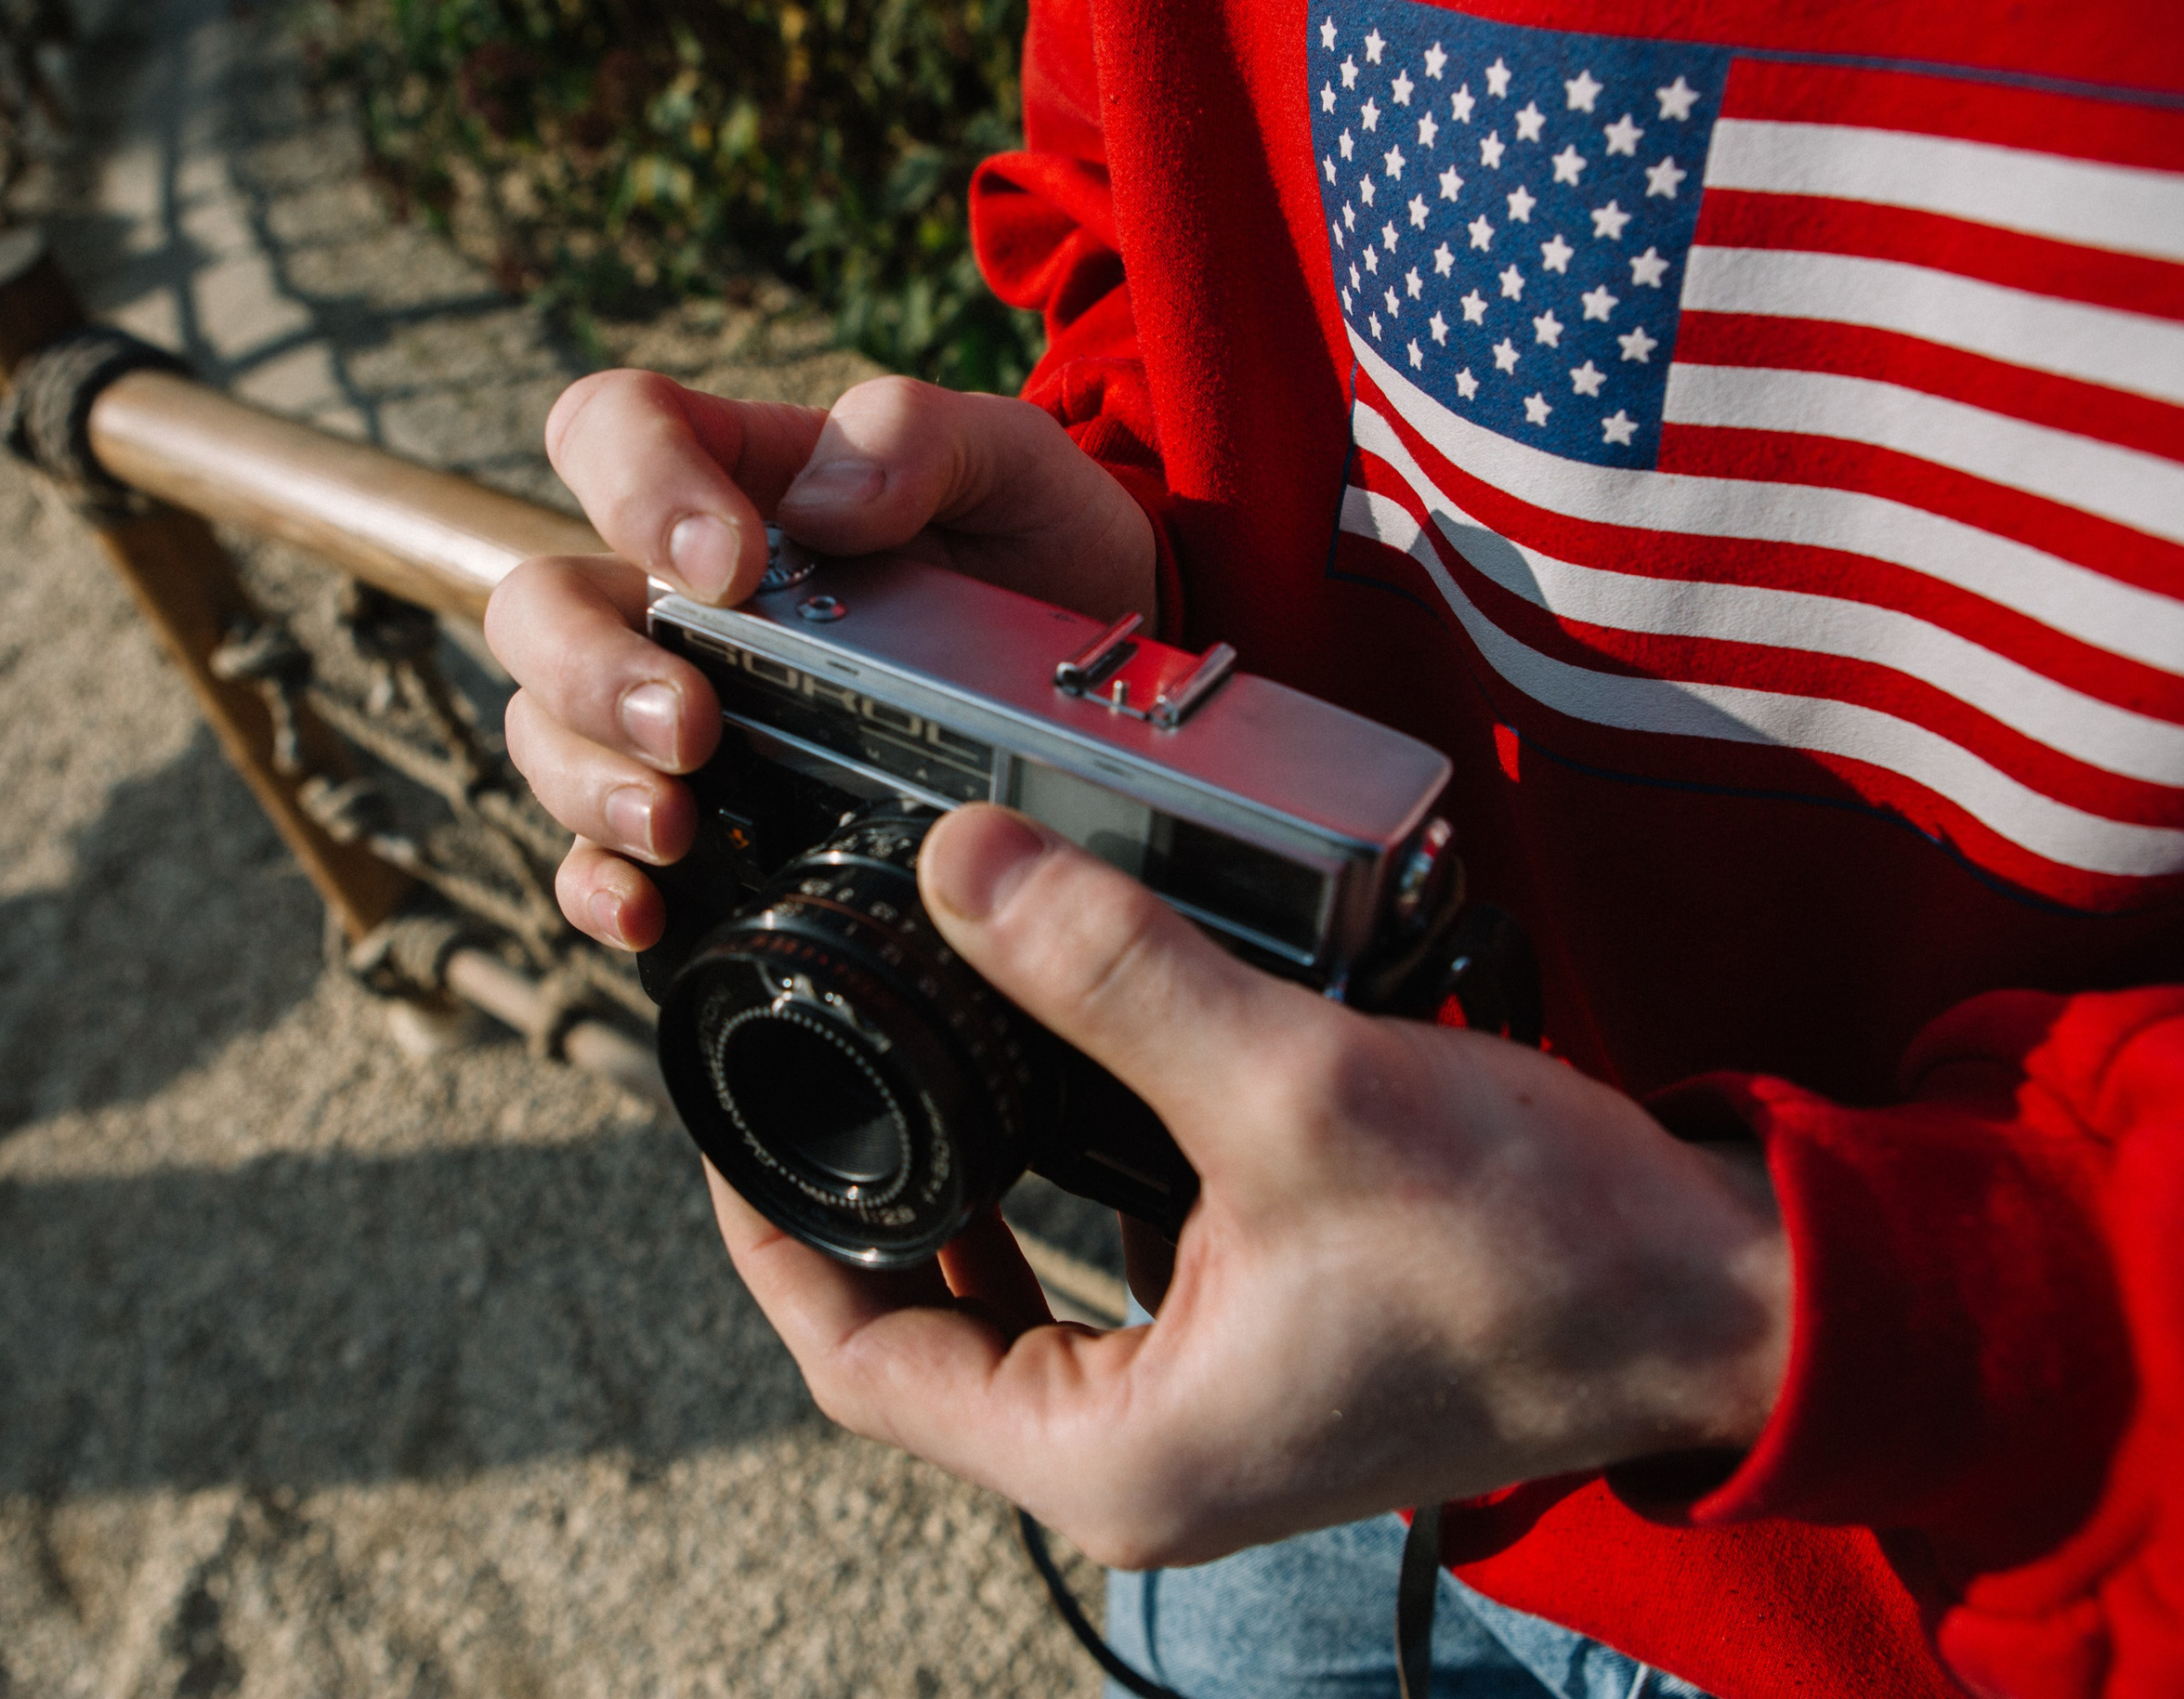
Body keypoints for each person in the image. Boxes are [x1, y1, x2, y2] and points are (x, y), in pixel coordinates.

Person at [482, 0, 2184, 1693]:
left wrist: (1766, 1299)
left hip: (1991, 1582)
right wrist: (1138, 574)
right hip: (1281, 1352)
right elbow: (1144, 214)